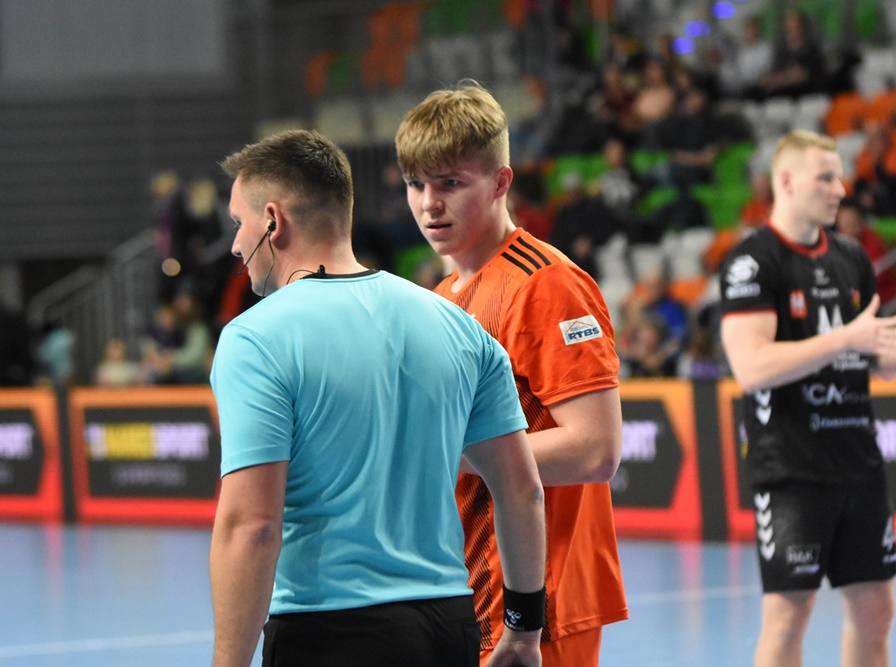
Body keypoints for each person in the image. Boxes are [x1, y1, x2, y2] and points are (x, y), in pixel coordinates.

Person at [209, 129, 547, 667]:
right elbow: (522, 489)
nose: (234, 244)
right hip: (449, 626)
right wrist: (525, 630)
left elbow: (253, 525)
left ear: (273, 220)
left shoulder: (255, 339)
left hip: (329, 631)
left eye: (237, 223)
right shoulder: (458, 326)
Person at [396, 83, 628, 667]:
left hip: (537, 608)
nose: (429, 204)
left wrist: (437, 449)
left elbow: (596, 450)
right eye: (416, 184)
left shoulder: (547, 284)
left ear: (501, 182)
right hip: (464, 594)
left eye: (451, 183)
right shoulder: (441, 297)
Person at [718, 130, 896, 667]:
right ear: (786, 181)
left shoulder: (852, 257)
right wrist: (844, 338)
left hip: (858, 464)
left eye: (840, 177)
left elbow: (880, 362)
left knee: (876, 611)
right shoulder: (752, 262)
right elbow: (751, 368)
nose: (841, 189)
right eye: (826, 178)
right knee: (789, 617)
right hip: (791, 471)